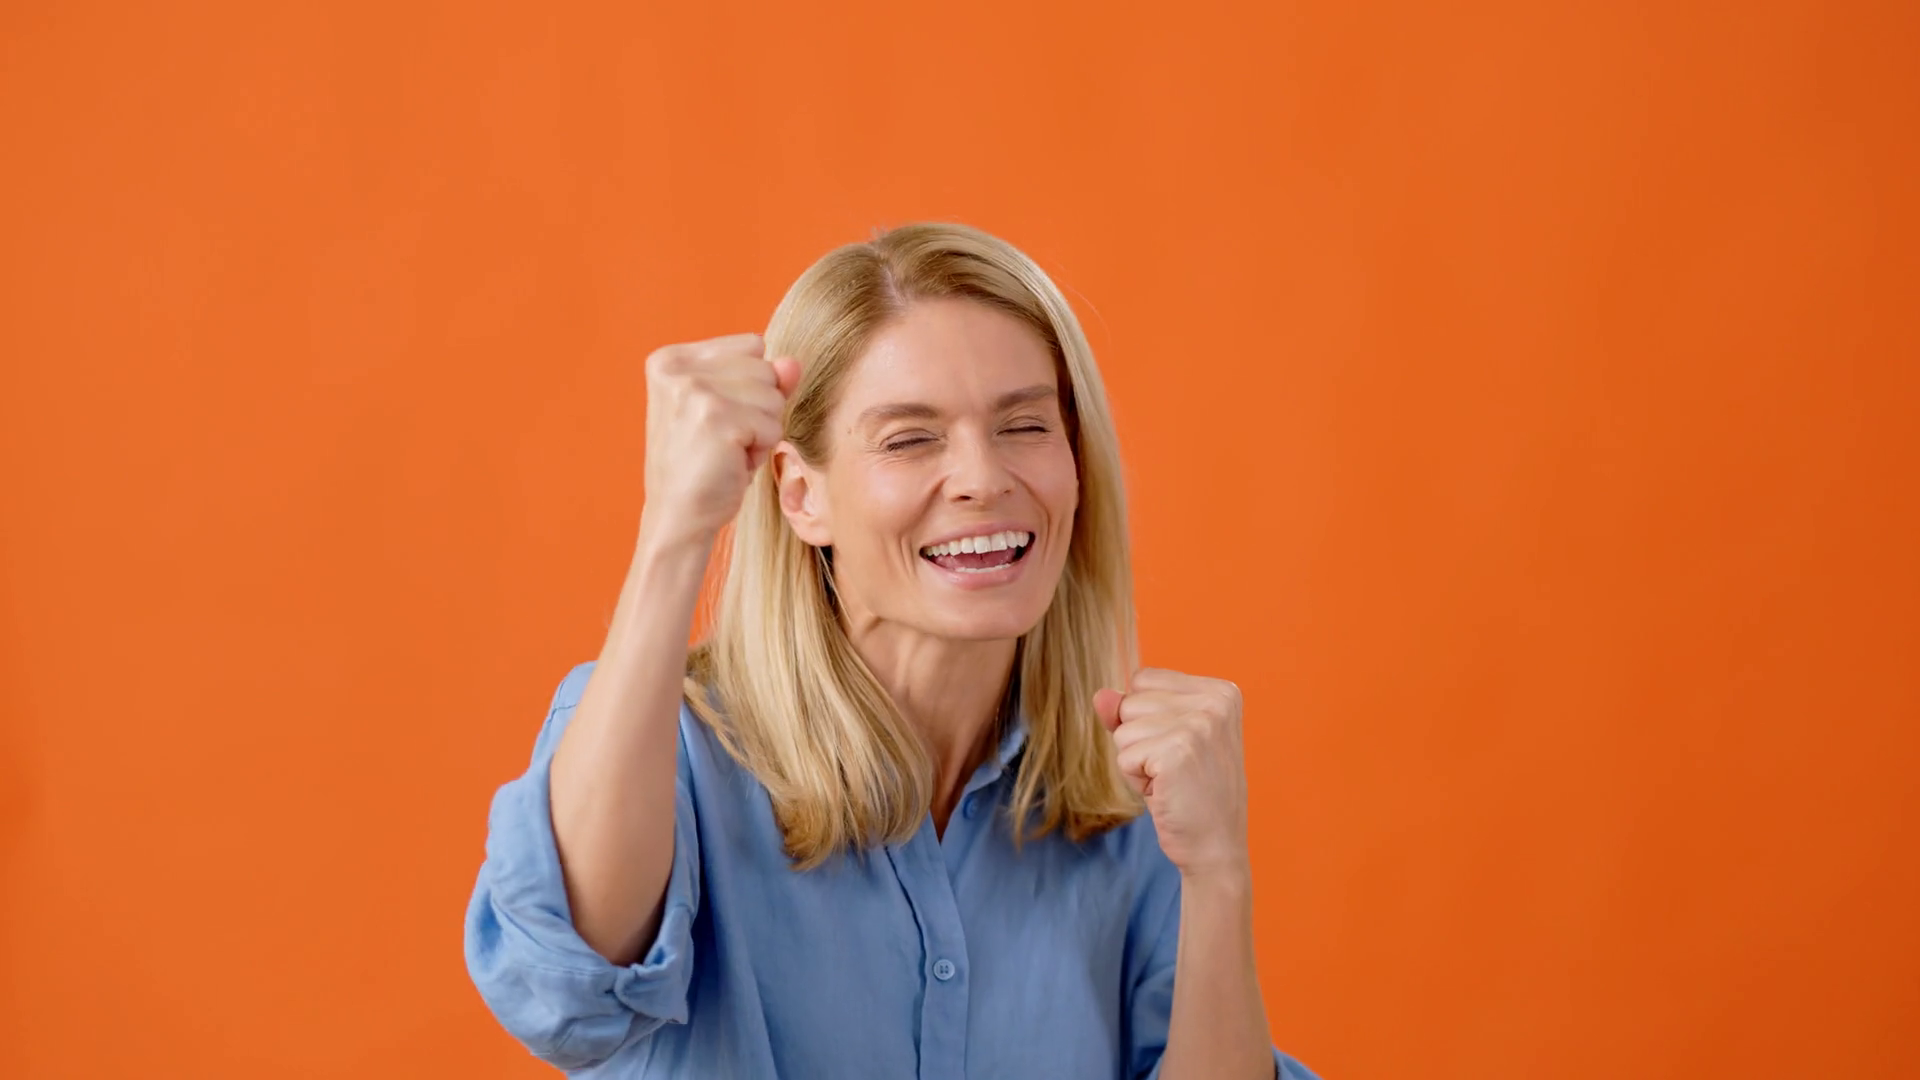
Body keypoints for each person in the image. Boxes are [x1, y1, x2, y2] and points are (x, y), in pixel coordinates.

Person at [464, 223, 1321, 1079]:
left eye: (1025, 424)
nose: (983, 478)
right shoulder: (664, 746)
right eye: (910, 438)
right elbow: (564, 990)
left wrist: (1218, 873)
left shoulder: (1131, 808)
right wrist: (675, 528)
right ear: (802, 496)